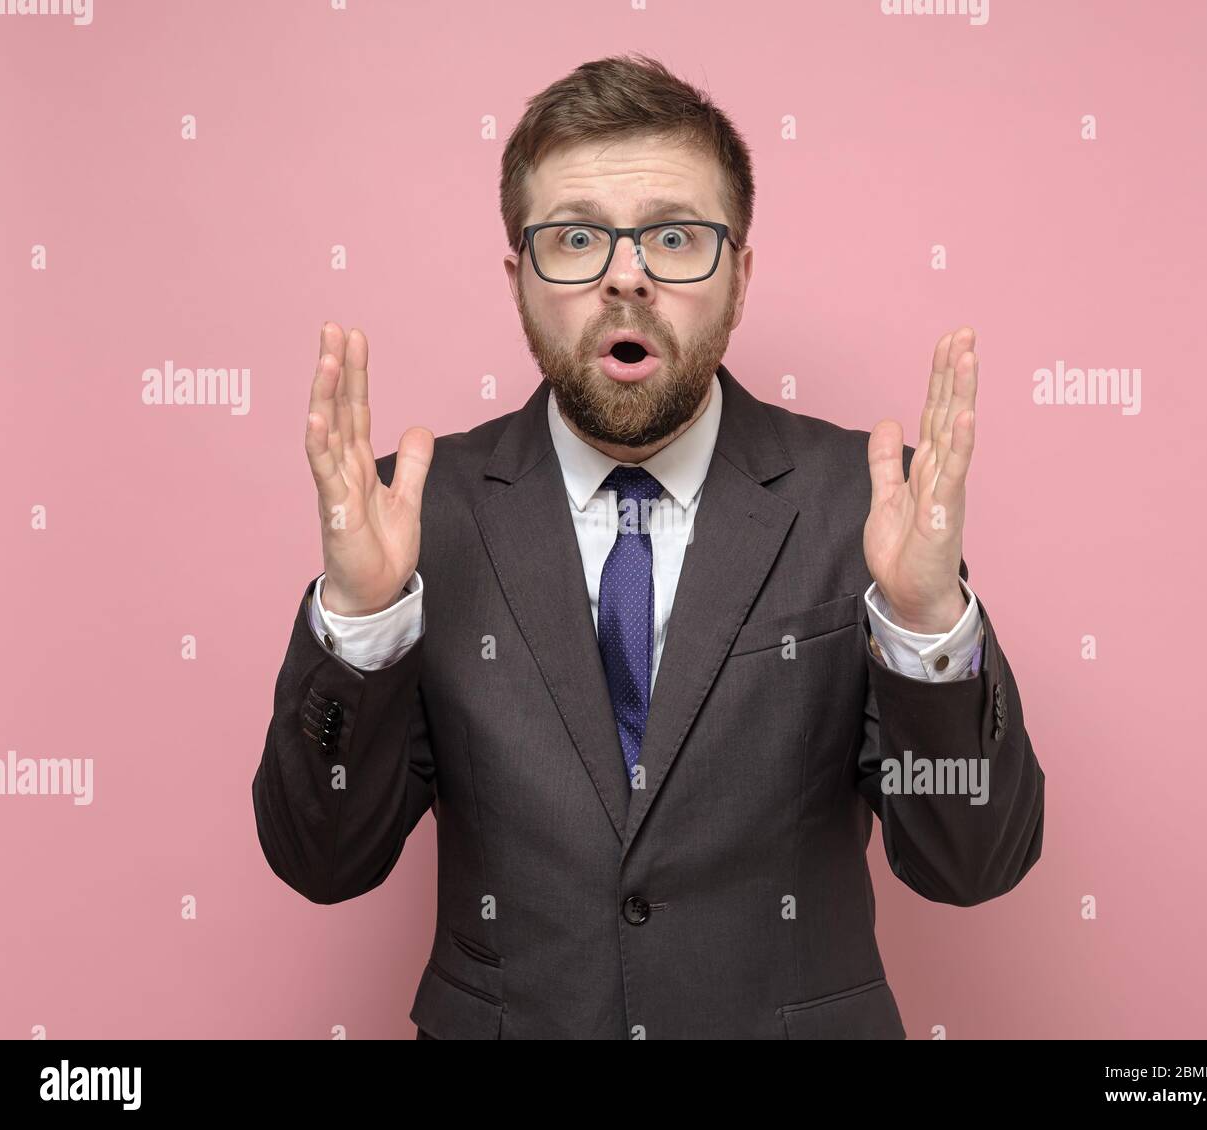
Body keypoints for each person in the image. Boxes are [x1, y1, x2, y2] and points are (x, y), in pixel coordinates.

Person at [251, 52, 1044, 1040]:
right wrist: (364, 622)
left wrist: (927, 626)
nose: (626, 276)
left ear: (740, 275)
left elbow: (971, 859)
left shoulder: (864, 505)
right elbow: (322, 858)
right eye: (576, 237)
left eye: (674, 236)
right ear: (520, 280)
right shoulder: (416, 515)